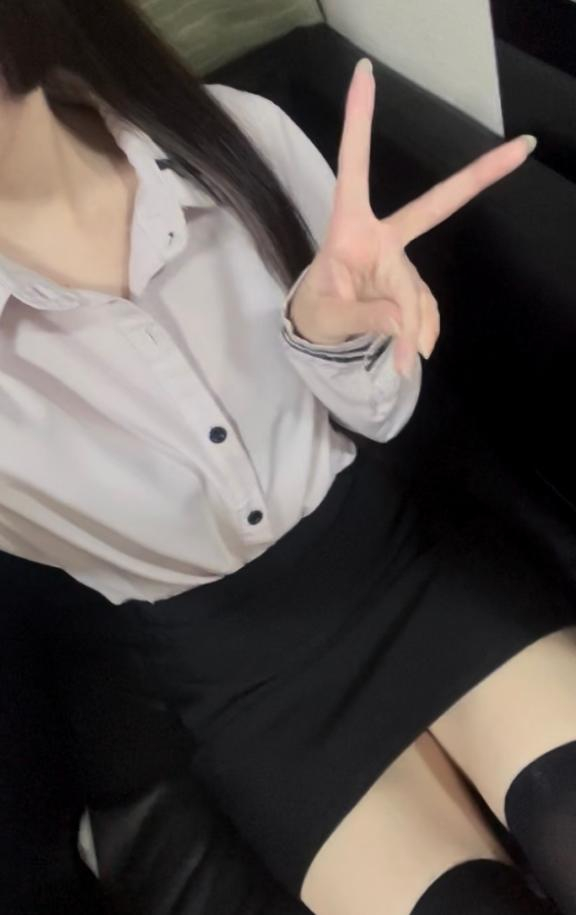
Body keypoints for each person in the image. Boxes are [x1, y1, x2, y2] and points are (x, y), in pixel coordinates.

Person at [1, 2, 575, 914]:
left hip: (408, 561)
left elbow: (385, 414)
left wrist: (333, 342)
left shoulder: (232, 138)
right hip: (249, 680)